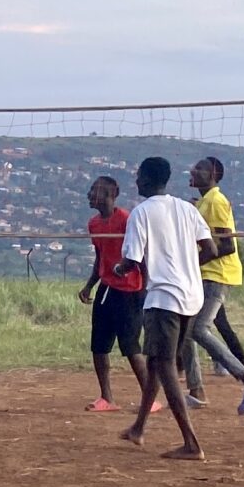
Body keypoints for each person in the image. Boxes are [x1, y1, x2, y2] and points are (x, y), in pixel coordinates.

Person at [119, 156, 240, 458]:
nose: (135, 182)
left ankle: (191, 443)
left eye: (138, 176)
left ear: (146, 179)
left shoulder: (141, 213)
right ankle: (139, 428)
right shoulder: (187, 208)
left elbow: (132, 260)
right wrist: (185, 268)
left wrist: (121, 269)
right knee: (158, 362)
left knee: (165, 366)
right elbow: (211, 249)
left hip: (164, 298)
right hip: (192, 295)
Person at [179, 156, 244, 414]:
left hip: (217, 275)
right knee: (186, 329)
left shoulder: (216, 201)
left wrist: (192, 261)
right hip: (205, 274)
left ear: (214, 173)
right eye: (194, 167)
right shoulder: (205, 202)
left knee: (198, 329)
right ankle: (196, 391)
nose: (193, 170)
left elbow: (226, 246)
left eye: (201, 168)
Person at [76, 174, 156, 414]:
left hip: (130, 291)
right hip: (106, 289)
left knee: (131, 347)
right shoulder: (94, 224)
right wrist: (89, 285)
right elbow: (101, 258)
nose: (90, 195)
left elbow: (140, 256)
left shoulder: (127, 220)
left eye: (95, 191)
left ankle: (150, 398)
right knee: (99, 347)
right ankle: (106, 398)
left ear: (110, 196)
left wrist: (146, 289)